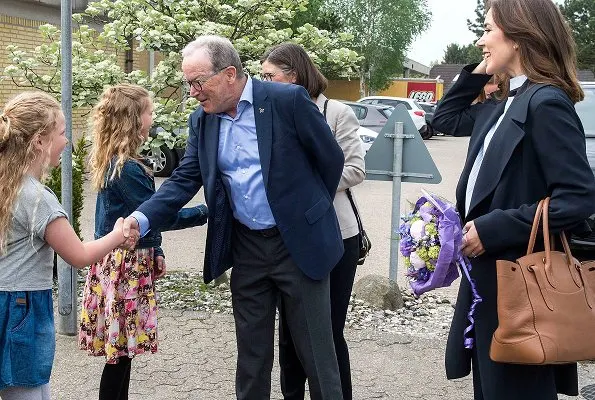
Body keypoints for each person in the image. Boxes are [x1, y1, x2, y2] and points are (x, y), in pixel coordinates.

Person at [122, 35, 346, 399]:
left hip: (298, 247)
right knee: (252, 358)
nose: (192, 92)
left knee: (317, 357)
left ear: (229, 74)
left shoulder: (286, 100)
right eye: (188, 83)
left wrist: (309, 211)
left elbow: (330, 159)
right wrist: (140, 219)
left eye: (198, 82)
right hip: (248, 249)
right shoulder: (203, 121)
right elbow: (183, 180)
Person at [431, 0, 595, 398]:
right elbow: (443, 119)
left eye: (488, 30)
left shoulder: (546, 103)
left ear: (520, 36)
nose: (480, 40)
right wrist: (479, 70)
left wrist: (493, 227)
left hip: (524, 284)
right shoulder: (504, 104)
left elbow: (578, 198)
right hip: (490, 278)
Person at [78, 84, 208, 400]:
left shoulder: (121, 161)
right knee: (120, 356)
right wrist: (208, 211)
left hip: (128, 263)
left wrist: (158, 249)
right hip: (123, 268)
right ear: (134, 119)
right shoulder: (126, 169)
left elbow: (145, 217)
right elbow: (158, 214)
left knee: (123, 353)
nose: (153, 118)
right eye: (149, 112)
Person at [0, 91, 129, 400]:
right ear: (39, 141)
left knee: (35, 389)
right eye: (61, 132)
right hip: (22, 306)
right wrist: (119, 234)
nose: (67, 141)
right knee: (26, 389)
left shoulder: (7, 185)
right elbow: (79, 255)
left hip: (9, 301)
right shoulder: (36, 198)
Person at [260, 42, 365, 400]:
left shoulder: (335, 112)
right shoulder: (269, 112)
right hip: (287, 237)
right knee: (289, 332)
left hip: (335, 235)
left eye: (270, 76)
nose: (264, 83)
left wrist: (304, 190)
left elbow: (354, 169)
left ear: (294, 75)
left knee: (327, 333)